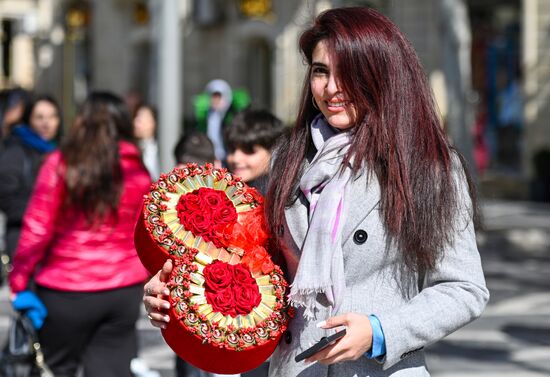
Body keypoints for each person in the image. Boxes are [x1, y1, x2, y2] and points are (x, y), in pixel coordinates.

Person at [144, 7, 489, 377]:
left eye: (350, 74)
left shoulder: (427, 166)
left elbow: (464, 288)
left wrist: (379, 332)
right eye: (321, 71)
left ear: (382, 76)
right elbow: (255, 266)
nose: (332, 89)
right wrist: (179, 290)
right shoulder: (289, 158)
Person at [9, 91, 151, 377]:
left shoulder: (61, 163)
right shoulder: (137, 170)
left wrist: (20, 280)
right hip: (122, 289)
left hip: (66, 288)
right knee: (110, 371)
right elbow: (145, 232)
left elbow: (37, 228)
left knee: (55, 369)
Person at [0, 94, 61, 266]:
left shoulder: (60, 150)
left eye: (52, 116)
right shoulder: (16, 150)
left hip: (56, 240)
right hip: (24, 238)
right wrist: (41, 211)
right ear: (29, 120)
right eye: (39, 117)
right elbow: (5, 194)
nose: (46, 123)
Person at [224, 109, 286, 195]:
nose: (236, 159)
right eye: (232, 149)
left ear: (274, 151)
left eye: (248, 150)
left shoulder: (283, 197)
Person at [193, 79, 250, 163]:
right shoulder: (205, 114)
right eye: (213, 96)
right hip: (210, 157)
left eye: (218, 96)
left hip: (228, 157)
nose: (215, 100)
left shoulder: (233, 114)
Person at [134, 103, 161, 180]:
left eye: (140, 120)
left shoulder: (160, 149)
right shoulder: (133, 149)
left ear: (153, 123)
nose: (135, 123)